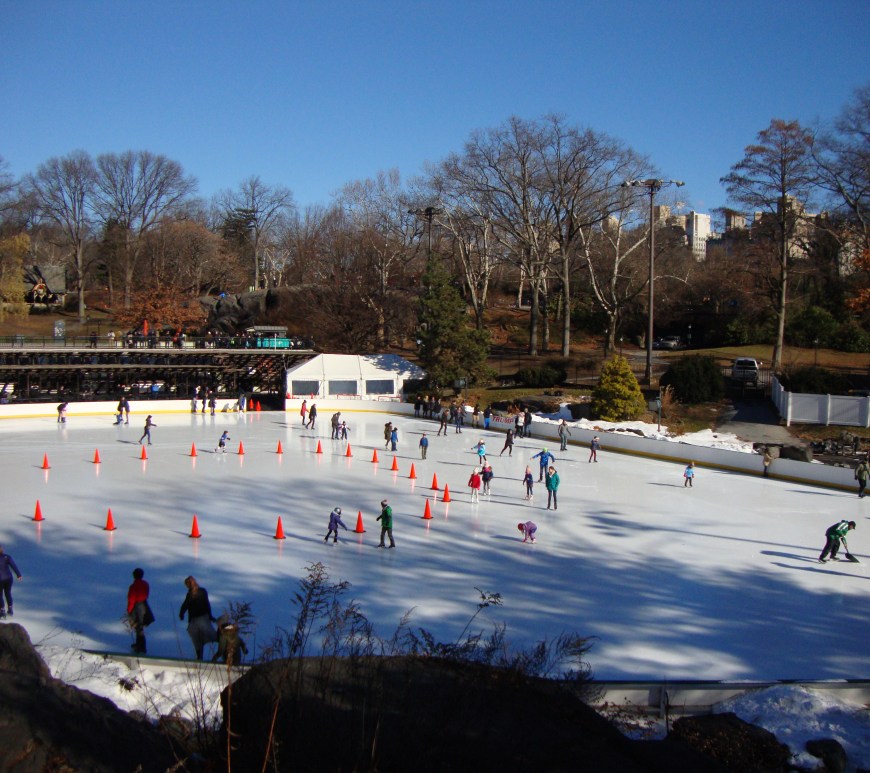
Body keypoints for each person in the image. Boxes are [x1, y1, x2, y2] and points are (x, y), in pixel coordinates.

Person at [178, 576, 217, 660]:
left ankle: (199, 657)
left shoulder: (190, 594)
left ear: (188, 585)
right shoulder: (203, 591)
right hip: (204, 617)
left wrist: (181, 614)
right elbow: (207, 604)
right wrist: (210, 616)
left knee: (197, 639)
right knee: (212, 636)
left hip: (195, 620)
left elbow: (185, 605)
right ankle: (224, 649)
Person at [126, 567, 153, 654]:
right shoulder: (146, 584)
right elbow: (147, 594)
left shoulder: (133, 586)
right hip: (144, 605)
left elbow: (131, 599)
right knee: (140, 627)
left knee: (138, 627)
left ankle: (141, 647)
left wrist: (129, 610)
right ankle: (139, 644)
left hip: (137, 607)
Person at [0, 546, 22, 619]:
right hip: (9, 578)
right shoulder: (7, 557)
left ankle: (2, 610)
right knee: (8, 593)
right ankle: (10, 609)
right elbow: (13, 566)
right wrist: (18, 574)